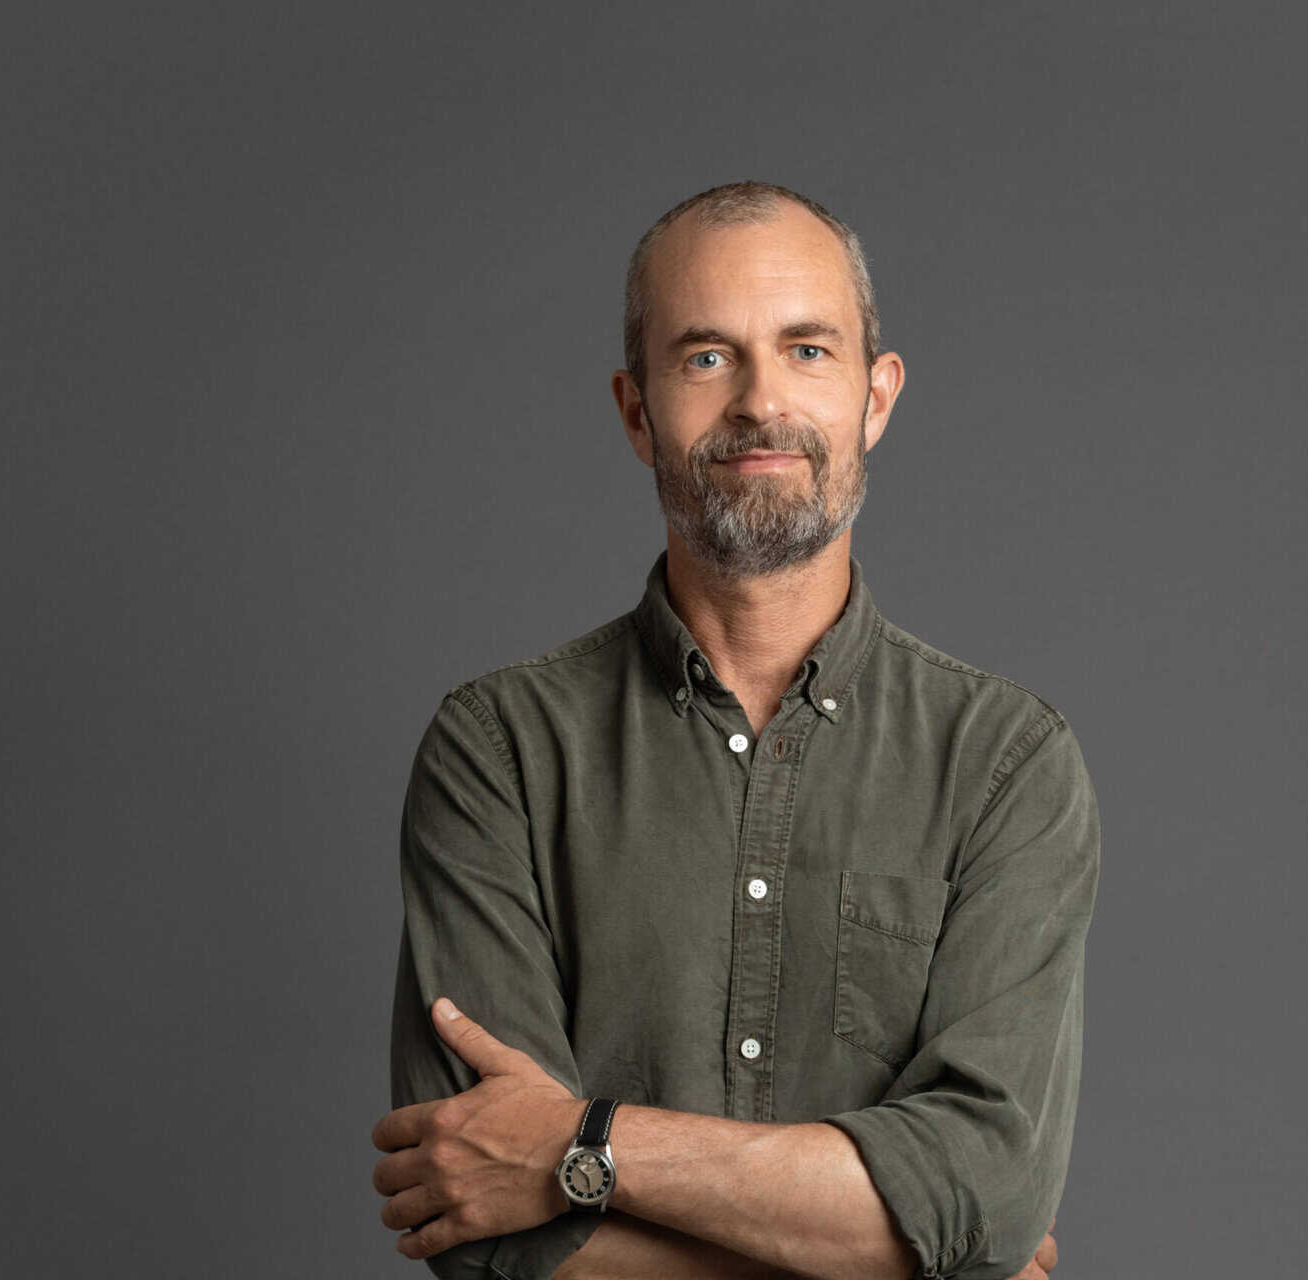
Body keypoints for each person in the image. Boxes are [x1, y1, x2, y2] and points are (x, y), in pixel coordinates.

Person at [370, 181, 1099, 1280]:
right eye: (707, 357)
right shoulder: (502, 751)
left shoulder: (1006, 763)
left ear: (876, 396)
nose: (762, 402)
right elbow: (484, 1226)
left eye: (808, 350)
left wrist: (581, 1149)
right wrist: (905, 1254)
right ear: (635, 410)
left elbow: (984, 1190)